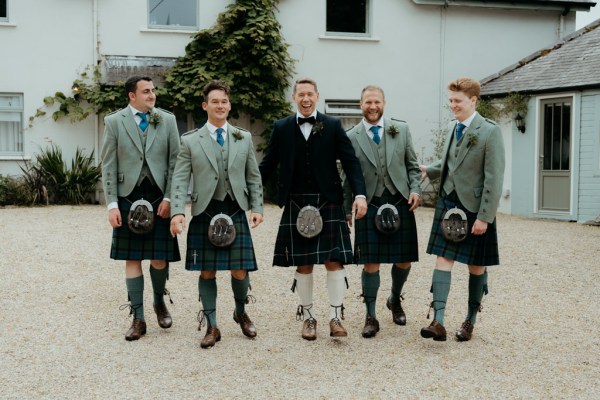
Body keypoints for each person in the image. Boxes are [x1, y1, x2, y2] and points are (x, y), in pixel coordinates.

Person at [259, 78, 368, 340]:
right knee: (304, 261)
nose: (306, 99)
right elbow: (267, 164)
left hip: (328, 199)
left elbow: (351, 162)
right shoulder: (282, 127)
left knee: (334, 259)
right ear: (294, 98)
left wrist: (360, 195)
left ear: (317, 96)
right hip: (296, 200)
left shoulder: (331, 125)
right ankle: (308, 318)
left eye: (310, 94)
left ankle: (335, 317)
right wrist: (249, 195)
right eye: (301, 95)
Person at [170, 80, 264, 349]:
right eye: (214, 101)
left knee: (240, 269)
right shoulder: (190, 140)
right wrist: (178, 212)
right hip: (205, 210)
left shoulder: (242, 137)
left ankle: (240, 311)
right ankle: (212, 325)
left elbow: (253, 177)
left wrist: (256, 207)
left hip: (234, 207)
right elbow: (179, 181)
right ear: (205, 105)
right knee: (207, 271)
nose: (220, 105)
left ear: (229, 104)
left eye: (224, 101)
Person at [419, 77, 505, 342]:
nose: (453, 105)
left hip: (474, 207)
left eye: (457, 101)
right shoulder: (451, 127)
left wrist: (484, 217)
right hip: (448, 201)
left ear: (473, 100)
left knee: (476, 267)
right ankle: (439, 321)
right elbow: (449, 162)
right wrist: (428, 170)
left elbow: (494, 177)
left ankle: (470, 320)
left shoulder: (489, 131)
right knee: (443, 259)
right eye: (451, 101)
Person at [101, 76, 181, 341]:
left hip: (159, 195)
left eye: (153, 90)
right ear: (131, 96)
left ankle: (159, 301)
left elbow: (175, 164)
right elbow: (108, 165)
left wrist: (171, 198)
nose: (151, 95)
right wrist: (112, 204)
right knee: (132, 258)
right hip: (127, 196)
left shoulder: (167, 120)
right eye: (145, 91)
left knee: (159, 258)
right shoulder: (114, 122)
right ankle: (138, 318)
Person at [343, 85, 421, 338]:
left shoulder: (402, 129)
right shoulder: (351, 135)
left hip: (399, 200)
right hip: (369, 203)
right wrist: (347, 209)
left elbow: (412, 166)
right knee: (370, 262)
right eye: (368, 102)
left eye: (376, 102)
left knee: (404, 259)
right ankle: (371, 314)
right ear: (361, 105)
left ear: (384, 103)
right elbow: (347, 176)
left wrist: (416, 190)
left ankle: (395, 299)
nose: (372, 106)